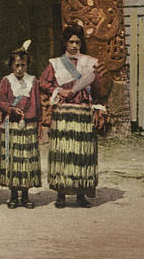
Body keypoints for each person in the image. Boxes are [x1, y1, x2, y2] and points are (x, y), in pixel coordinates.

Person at [40, 24, 105, 208]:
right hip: (64, 113)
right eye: (71, 42)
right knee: (63, 153)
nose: (75, 45)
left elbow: (98, 88)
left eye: (77, 41)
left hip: (83, 112)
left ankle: (80, 194)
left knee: (81, 154)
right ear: (65, 43)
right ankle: (61, 194)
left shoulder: (89, 62)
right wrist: (59, 91)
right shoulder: (56, 63)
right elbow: (44, 83)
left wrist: (98, 106)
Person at [0, 44, 41, 209]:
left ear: (27, 65)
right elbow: (1, 100)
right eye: (17, 65)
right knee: (13, 161)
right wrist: (11, 108)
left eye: (23, 65)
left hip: (27, 125)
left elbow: (36, 103)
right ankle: (14, 195)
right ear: (11, 65)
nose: (20, 69)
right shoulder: (6, 81)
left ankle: (26, 195)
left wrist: (36, 122)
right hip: (12, 126)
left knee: (26, 160)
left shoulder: (33, 81)